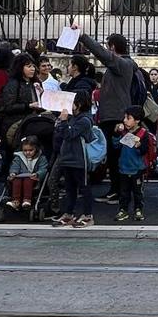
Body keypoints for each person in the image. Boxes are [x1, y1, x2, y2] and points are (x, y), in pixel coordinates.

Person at [75, 30, 141, 204]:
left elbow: (102, 54)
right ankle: (117, 189)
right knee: (113, 155)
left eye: (108, 46)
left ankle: (119, 191)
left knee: (116, 155)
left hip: (116, 116)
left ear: (112, 47)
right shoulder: (122, 65)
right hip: (112, 115)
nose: (106, 49)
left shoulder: (123, 64)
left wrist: (83, 36)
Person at [51, 89, 96, 229]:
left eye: (72, 102)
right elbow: (60, 132)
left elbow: (70, 134)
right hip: (67, 157)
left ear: (80, 104)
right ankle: (69, 213)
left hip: (79, 159)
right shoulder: (72, 118)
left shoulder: (84, 120)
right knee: (70, 188)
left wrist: (63, 122)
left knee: (84, 187)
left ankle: (88, 215)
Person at [0, 54, 42, 175]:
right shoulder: (13, 84)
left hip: (30, 121)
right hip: (15, 124)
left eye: (33, 66)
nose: (32, 69)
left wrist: (42, 95)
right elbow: (7, 107)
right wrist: (28, 106)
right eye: (28, 66)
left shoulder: (35, 83)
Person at [114, 106, 156, 222]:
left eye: (128, 118)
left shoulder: (143, 133)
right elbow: (116, 146)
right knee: (123, 191)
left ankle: (138, 209)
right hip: (123, 167)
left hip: (137, 168)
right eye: (125, 117)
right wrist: (117, 134)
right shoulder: (123, 132)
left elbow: (144, 150)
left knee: (138, 191)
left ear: (137, 120)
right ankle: (123, 209)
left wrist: (139, 146)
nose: (125, 120)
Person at [6, 136, 47, 212]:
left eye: (30, 150)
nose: (27, 152)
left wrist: (37, 174)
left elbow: (43, 169)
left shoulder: (41, 158)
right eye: (25, 150)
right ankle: (16, 201)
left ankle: (27, 200)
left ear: (36, 149)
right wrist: (13, 172)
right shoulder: (19, 157)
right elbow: (15, 166)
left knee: (28, 180)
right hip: (19, 177)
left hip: (33, 179)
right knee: (16, 180)